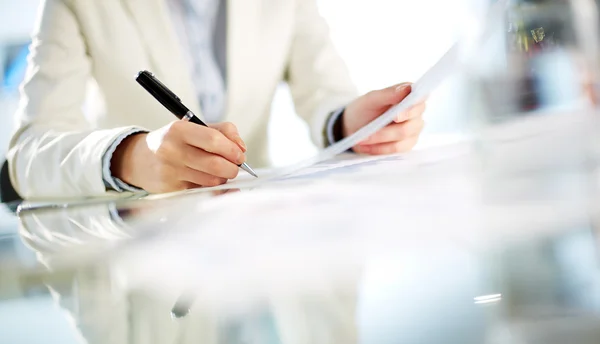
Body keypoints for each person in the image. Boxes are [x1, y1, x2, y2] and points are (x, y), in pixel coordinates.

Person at [6, 0, 426, 199]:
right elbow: (26, 156)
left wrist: (351, 123)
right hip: (144, 250)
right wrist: (132, 156)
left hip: (255, 233)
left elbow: (324, 90)